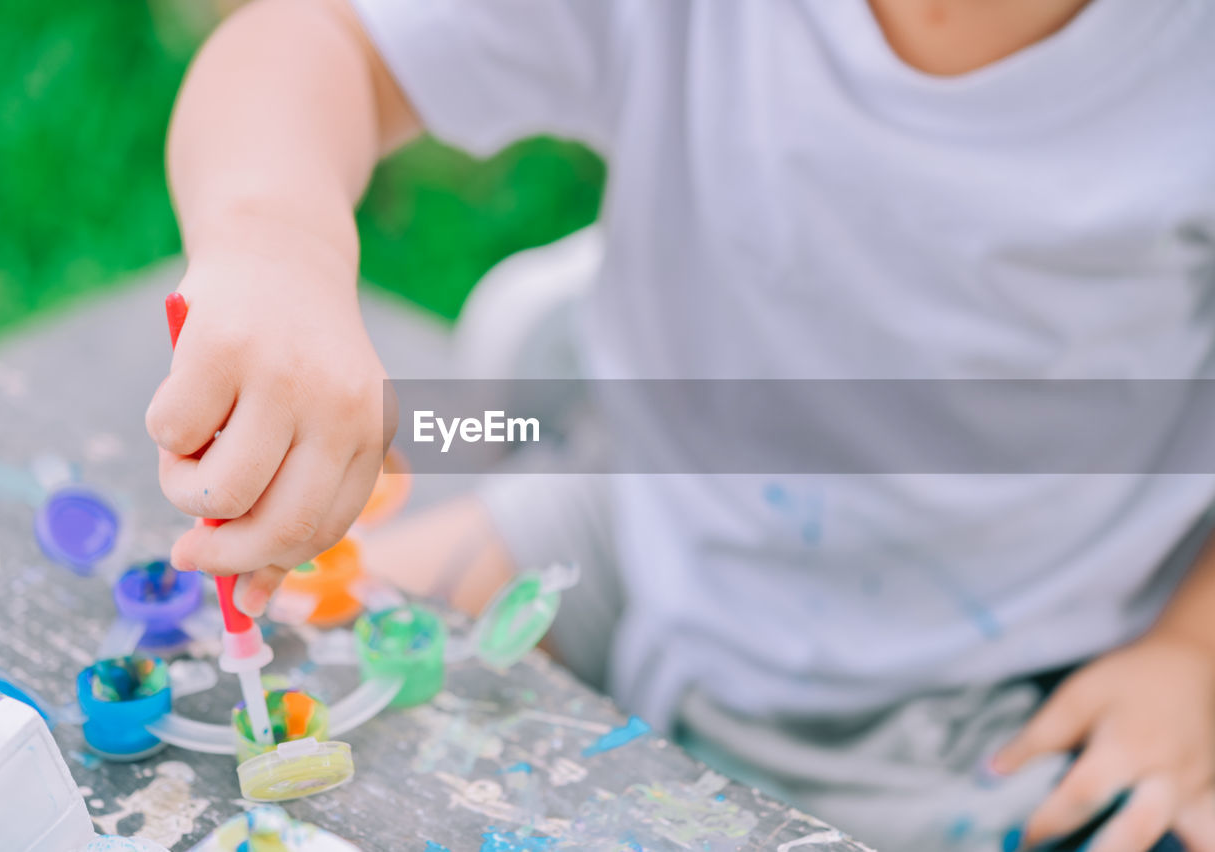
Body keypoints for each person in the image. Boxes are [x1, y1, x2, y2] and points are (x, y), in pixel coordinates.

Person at [146, 1, 1215, 849]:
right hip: (644, 526)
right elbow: (313, 41)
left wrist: (1192, 648)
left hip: (1017, 677)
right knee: (220, 673)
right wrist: (276, 248)